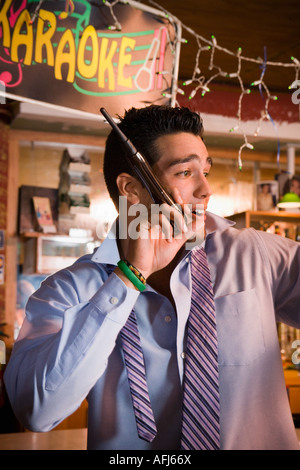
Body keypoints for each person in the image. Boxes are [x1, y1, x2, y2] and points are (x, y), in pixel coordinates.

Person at [4, 105, 300, 450]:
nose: (206, 190)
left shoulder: (254, 253)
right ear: (131, 188)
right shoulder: (69, 290)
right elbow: (36, 411)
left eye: (205, 170)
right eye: (186, 172)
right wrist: (127, 279)